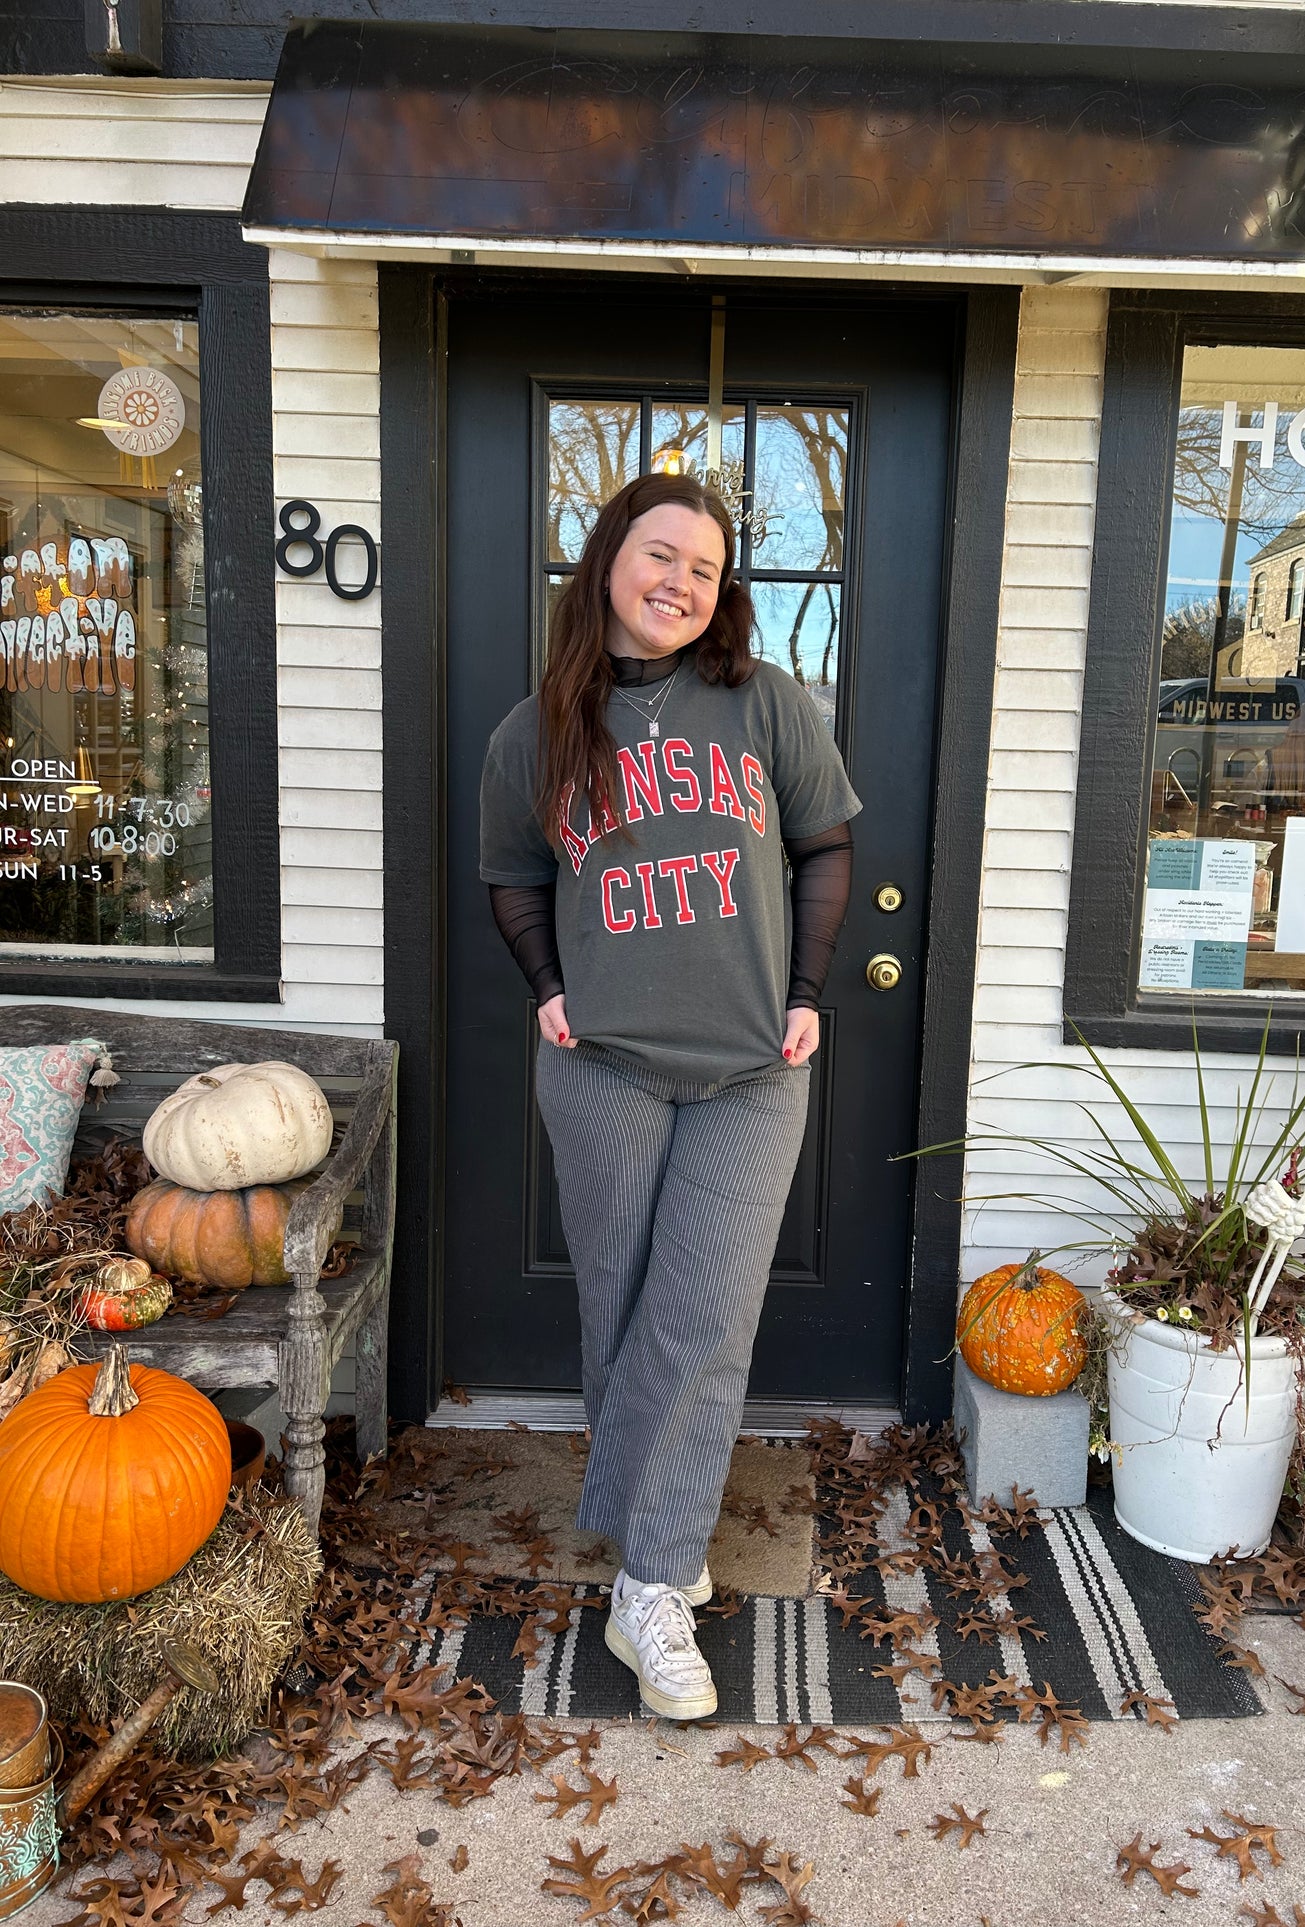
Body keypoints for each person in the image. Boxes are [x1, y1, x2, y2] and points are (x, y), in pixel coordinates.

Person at [477, 471, 860, 1720]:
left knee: (701, 1314)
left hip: (752, 1070)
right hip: (601, 1069)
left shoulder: (763, 705)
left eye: (704, 567)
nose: (680, 583)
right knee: (624, 1306)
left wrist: (805, 988)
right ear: (606, 563)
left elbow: (823, 845)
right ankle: (660, 1544)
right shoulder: (534, 733)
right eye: (660, 556)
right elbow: (514, 877)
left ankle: (645, 1581)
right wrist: (544, 981)